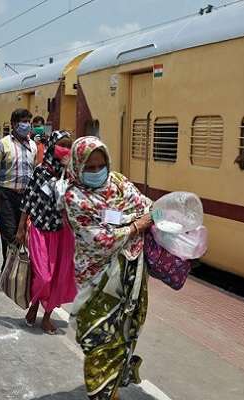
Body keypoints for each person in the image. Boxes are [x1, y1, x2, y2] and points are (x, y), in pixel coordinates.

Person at [64, 136, 153, 400]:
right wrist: (135, 225)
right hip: (97, 277)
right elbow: (99, 240)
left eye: (100, 165)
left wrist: (125, 224)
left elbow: (147, 206)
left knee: (125, 329)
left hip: (129, 271)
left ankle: (113, 386)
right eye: (89, 168)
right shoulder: (74, 196)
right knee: (98, 338)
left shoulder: (118, 182)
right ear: (78, 166)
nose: (95, 172)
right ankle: (101, 393)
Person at [15, 131, 76, 334]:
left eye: (69, 145)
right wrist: (21, 227)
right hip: (41, 229)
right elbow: (28, 200)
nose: (65, 149)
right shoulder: (40, 171)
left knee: (58, 277)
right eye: (62, 145)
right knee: (44, 277)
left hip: (63, 233)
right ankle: (34, 305)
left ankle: (47, 316)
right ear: (51, 147)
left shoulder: (72, 175)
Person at [0, 108, 37, 269]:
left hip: (25, 198)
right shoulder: (3, 144)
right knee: (10, 233)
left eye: (28, 121)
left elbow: (34, 170)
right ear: (13, 124)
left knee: (23, 233)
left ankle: (17, 268)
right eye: (22, 121)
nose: (26, 125)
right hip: (6, 195)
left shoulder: (33, 146)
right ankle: (9, 267)